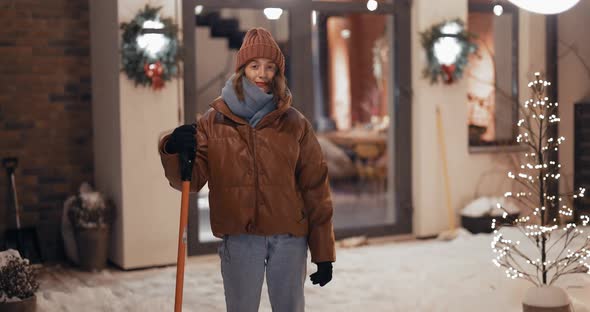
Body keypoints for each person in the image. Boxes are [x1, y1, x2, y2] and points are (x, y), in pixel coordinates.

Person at [159, 27, 336, 312]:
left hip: (289, 236)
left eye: (270, 67)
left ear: (278, 74)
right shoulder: (212, 121)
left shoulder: (295, 122)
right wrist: (172, 148)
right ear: (242, 70)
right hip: (240, 237)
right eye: (254, 66)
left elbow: (315, 187)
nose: (262, 74)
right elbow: (192, 179)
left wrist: (323, 251)